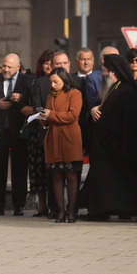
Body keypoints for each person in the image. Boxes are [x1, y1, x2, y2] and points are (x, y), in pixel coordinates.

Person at [82, 54, 137, 219]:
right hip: (104, 146)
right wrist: (93, 110)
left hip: (117, 144)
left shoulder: (127, 89)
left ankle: (127, 210)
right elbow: (102, 107)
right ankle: (100, 211)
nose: (104, 73)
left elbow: (128, 119)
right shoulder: (112, 87)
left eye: (106, 70)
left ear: (114, 71)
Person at [0, 53, 33, 216]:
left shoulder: (26, 80)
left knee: (20, 168)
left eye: (9, 67)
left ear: (18, 67)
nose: (5, 69)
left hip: (18, 129)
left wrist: (21, 98)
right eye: (4, 65)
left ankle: (18, 204)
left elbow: (33, 101)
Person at [40, 68, 83, 223]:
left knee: (71, 175)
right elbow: (46, 121)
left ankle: (71, 212)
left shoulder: (74, 93)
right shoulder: (50, 96)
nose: (52, 85)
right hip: (53, 139)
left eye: (55, 81)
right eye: (51, 81)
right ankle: (60, 212)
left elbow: (73, 115)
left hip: (69, 139)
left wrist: (50, 115)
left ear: (64, 80)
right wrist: (42, 116)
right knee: (56, 175)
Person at [23, 48, 57, 217]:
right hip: (38, 129)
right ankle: (41, 205)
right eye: (45, 63)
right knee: (38, 170)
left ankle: (55, 204)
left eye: (51, 64)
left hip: (56, 127)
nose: (48, 66)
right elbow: (32, 104)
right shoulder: (35, 82)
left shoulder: (62, 82)